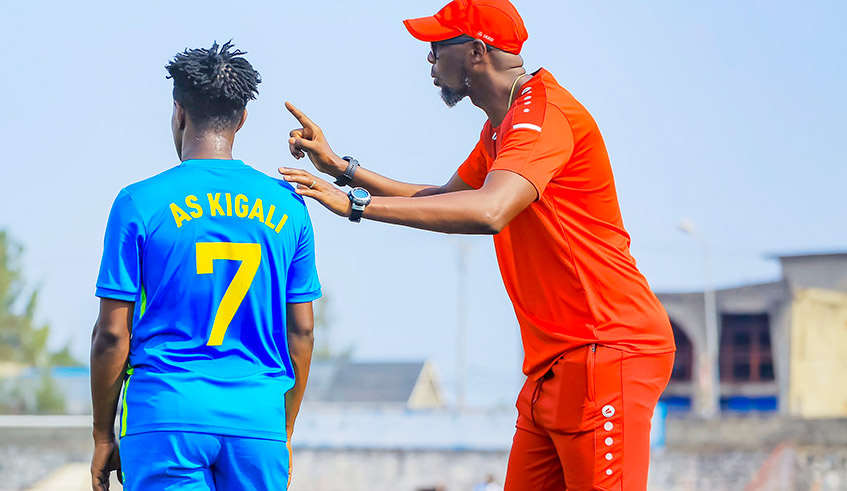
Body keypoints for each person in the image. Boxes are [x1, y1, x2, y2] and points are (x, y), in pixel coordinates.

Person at [278, 0, 674, 489]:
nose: (428, 59)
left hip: (606, 351)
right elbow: (446, 199)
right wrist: (344, 169)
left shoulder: (542, 115)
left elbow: (489, 211)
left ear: (476, 52)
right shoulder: (501, 127)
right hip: (554, 365)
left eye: (436, 45)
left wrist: (355, 207)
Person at [90, 41, 320, 491]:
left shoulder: (138, 202)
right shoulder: (289, 207)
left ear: (179, 111)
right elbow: (303, 333)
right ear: (242, 118)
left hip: (166, 416)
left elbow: (112, 334)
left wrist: (102, 435)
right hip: (257, 421)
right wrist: (282, 427)